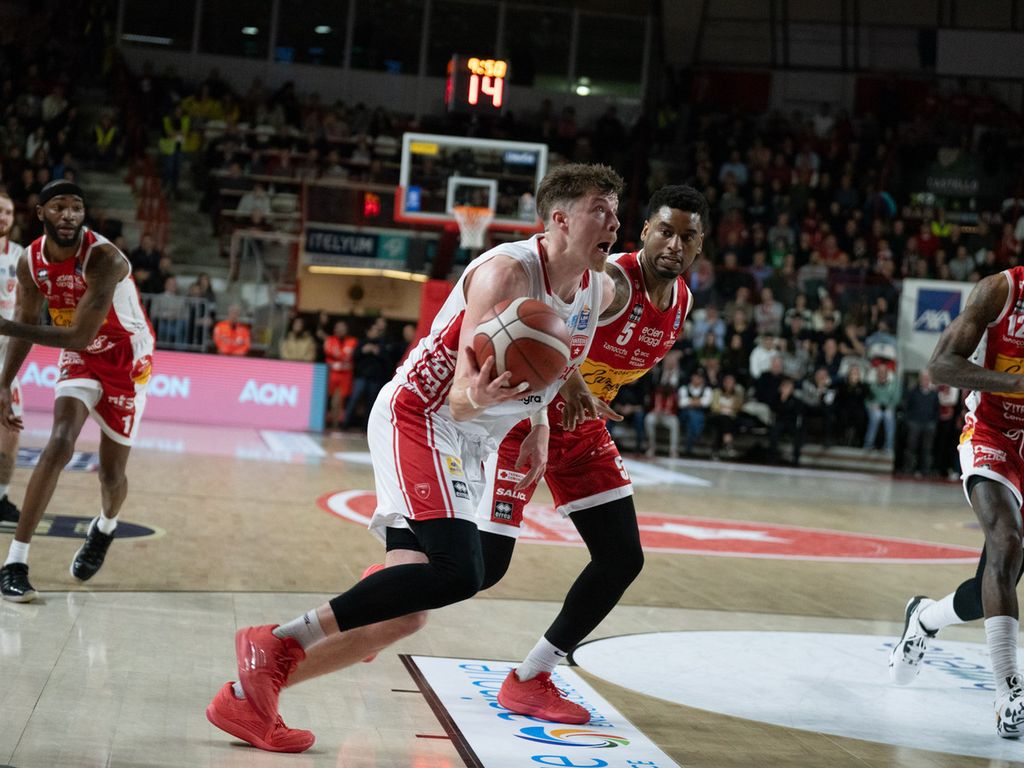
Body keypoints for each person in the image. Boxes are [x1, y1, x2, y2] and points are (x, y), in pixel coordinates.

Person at [206, 163, 623, 751]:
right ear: (559, 219)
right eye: (599, 210)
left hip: (473, 439)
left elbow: (557, 360)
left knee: (406, 612)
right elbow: (460, 395)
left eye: (616, 211)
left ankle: (246, 699)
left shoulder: (596, 288)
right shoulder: (504, 274)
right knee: (460, 572)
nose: (613, 222)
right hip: (423, 415)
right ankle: (278, 640)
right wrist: (482, 396)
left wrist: (537, 425)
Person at [0, 180, 155, 602]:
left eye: (76, 207)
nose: (68, 215)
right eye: (59, 207)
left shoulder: (104, 259)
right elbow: (27, 322)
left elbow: (77, 335)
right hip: (82, 356)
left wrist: (5, 325)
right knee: (59, 442)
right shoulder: (30, 261)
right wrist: (4, 382)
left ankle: (105, 526)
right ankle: (15, 562)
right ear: (41, 213)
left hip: (125, 358)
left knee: (111, 474)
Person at [888, 268, 1024, 737]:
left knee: (994, 584)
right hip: (992, 435)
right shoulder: (1001, 291)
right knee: (1006, 541)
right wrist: (1017, 384)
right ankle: (1009, 694)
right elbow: (941, 366)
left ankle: (924, 618)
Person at [0, 193, 24, 523]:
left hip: (6, 358)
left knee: (11, 428)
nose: (3, 216)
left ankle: (1, 496)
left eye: (7, 211)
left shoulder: (21, 256)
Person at [323, 319, 357, 428]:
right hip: (332, 373)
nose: (340, 330)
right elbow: (330, 353)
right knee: (329, 397)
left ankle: (340, 422)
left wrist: (340, 359)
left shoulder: (353, 341)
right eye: (338, 327)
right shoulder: (329, 340)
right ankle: (327, 420)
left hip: (346, 375)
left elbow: (349, 355)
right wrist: (341, 360)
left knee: (343, 398)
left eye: (343, 327)